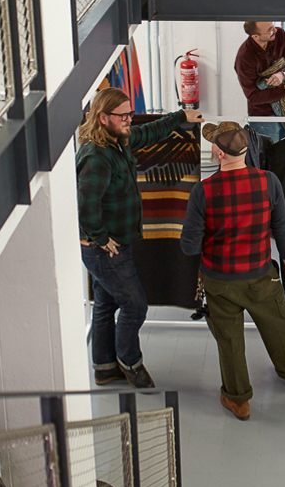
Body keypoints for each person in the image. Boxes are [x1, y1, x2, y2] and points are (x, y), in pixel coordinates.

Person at [180, 121, 285, 421]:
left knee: (229, 340)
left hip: (219, 280)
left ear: (220, 154)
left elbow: (189, 247)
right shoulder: (268, 182)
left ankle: (238, 400)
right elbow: (283, 227)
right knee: (278, 325)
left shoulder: (203, 191)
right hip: (260, 274)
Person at [76, 87, 204, 388]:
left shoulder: (118, 140)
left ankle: (104, 367)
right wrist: (99, 237)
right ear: (103, 117)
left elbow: (150, 133)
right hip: (106, 250)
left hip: (118, 242)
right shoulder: (97, 156)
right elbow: (85, 204)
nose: (129, 121)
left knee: (106, 305)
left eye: (130, 114)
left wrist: (180, 117)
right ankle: (130, 362)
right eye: (123, 116)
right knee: (135, 306)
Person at [235, 21, 285, 143]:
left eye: (273, 26)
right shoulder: (244, 57)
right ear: (255, 36)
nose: (275, 30)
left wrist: (283, 74)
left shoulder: (280, 35)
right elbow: (253, 96)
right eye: (270, 30)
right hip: (264, 116)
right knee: (267, 159)